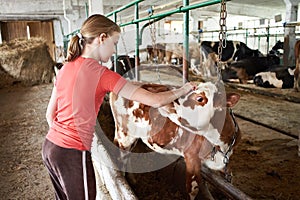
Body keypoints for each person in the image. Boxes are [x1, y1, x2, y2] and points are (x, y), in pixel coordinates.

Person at [42, 14, 196, 200]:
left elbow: (50, 116)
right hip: (72, 153)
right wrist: (185, 89)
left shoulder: (66, 67)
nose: (115, 50)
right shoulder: (103, 75)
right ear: (102, 38)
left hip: (50, 148)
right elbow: (155, 101)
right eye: (115, 43)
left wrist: (61, 141)